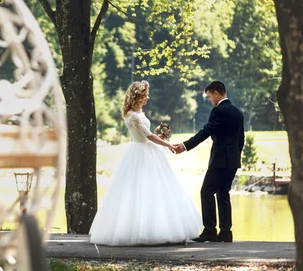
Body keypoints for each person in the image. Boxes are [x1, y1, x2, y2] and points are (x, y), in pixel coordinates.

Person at [89, 81, 201, 246]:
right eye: (146, 95)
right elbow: (147, 136)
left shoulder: (137, 113)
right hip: (141, 152)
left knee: (154, 190)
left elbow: (147, 134)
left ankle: (154, 227)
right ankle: (141, 231)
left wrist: (159, 135)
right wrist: (168, 144)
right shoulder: (133, 115)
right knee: (140, 191)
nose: (148, 97)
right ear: (139, 97)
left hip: (146, 151)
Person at [174, 80, 244, 243]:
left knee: (206, 191)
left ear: (216, 93)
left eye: (210, 96)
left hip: (219, 160)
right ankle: (226, 232)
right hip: (232, 161)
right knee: (223, 193)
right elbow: (241, 138)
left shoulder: (218, 111)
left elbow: (206, 132)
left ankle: (210, 230)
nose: (210, 100)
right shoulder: (237, 112)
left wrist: (185, 146)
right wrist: (235, 156)